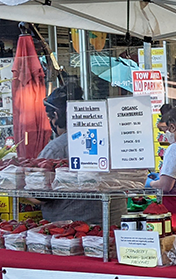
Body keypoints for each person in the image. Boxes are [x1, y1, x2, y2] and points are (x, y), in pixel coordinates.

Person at [36, 82, 125, 224]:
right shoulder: (109, 140)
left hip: (72, 230)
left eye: (49, 117)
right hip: (113, 223)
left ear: (56, 115)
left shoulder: (56, 149)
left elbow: (39, 194)